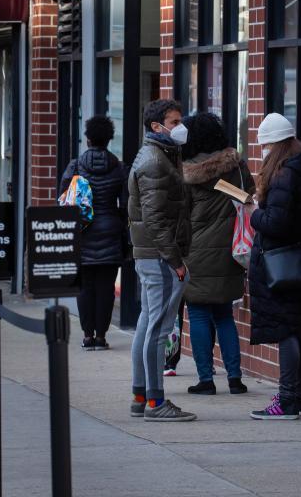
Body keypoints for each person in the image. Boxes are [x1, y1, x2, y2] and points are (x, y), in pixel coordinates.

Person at [248, 113, 301, 420]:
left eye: (264, 145)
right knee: (299, 328)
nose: (263, 151)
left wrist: (254, 212)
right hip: (299, 259)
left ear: (274, 145)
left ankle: (288, 399)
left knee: (288, 330)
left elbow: (276, 223)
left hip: (279, 262)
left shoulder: (284, 175)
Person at [127, 99, 195, 422]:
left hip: (151, 254)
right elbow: (155, 220)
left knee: (148, 322)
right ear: (157, 127)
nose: (181, 127)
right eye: (174, 122)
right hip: (159, 256)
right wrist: (176, 261)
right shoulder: (156, 161)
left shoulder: (159, 155)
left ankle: (141, 396)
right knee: (158, 328)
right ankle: (155, 401)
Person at [180, 113, 252, 396]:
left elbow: (180, 215)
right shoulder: (236, 166)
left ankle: (206, 379)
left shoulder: (186, 172)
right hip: (231, 250)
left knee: (198, 314)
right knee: (224, 315)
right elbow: (249, 197)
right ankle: (235, 378)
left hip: (196, 252)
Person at [60, 116, 127, 351]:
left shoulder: (75, 166)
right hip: (110, 233)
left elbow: (64, 198)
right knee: (106, 288)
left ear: (87, 139)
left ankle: (87, 335)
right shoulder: (119, 168)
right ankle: (101, 336)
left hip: (82, 234)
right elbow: (125, 205)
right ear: (109, 139)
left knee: (85, 286)